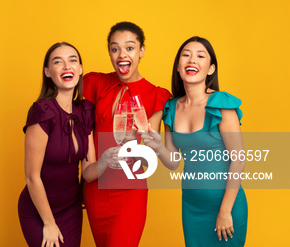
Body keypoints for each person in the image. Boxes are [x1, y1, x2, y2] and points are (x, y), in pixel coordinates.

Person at [142, 36, 248, 246]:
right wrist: (156, 145)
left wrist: (225, 211)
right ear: (178, 68)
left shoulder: (221, 104)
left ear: (210, 69)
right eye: (186, 55)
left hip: (225, 207)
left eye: (200, 56)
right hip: (192, 207)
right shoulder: (170, 108)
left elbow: (239, 160)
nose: (192, 60)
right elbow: (173, 162)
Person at [18, 42, 120, 247]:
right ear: (47, 72)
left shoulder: (84, 111)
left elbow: (89, 171)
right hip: (39, 211)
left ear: (80, 69)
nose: (67, 66)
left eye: (73, 60)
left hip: (71, 208)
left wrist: (106, 159)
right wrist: (48, 223)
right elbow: (32, 176)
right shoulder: (42, 111)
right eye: (58, 62)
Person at [81, 21, 172, 246]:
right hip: (96, 190)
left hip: (129, 190)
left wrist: (138, 147)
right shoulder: (94, 84)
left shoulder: (156, 96)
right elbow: (79, 128)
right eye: (115, 48)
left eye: (130, 47)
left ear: (141, 51)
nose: (122, 54)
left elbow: (147, 159)